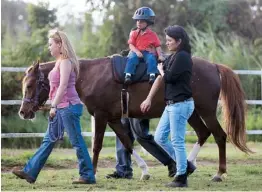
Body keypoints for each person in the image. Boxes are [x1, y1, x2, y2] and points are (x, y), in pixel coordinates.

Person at [12, 30, 96, 185]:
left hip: (68, 106)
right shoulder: (59, 62)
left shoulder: (65, 62)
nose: (49, 47)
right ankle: (30, 171)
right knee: (48, 140)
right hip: (61, 106)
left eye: (51, 44)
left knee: (76, 141)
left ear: (60, 44)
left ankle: (88, 175)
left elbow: (63, 86)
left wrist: (53, 106)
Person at [140, 25, 195, 188]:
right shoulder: (174, 56)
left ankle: (181, 177)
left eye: (170, 40)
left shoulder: (183, 57)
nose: (167, 43)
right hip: (171, 104)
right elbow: (163, 69)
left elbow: (169, 77)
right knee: (159, 138)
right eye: (167, 40)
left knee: (177, 141)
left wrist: (161, 70)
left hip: (180, 104)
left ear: (179, 41)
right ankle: (184, 165)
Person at [106, 118, 191, 179]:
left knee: (141, 136)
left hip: (136, 101)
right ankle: (123, 170)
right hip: (123, 102)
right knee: (122, 134)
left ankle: (171, 162)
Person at [124, 7, 165, 85]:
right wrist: (137, 52)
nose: (139, 23)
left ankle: (152, 75)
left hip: (147, 52)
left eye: (142, 21)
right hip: (136, 51)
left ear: (148, 23)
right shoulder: (134, 33)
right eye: (137, 20)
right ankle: (128, 75)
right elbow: (131, 45)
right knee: (131, 59)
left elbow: (157, 46)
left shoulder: (153, 35)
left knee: (151, 59)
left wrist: (160, 55)